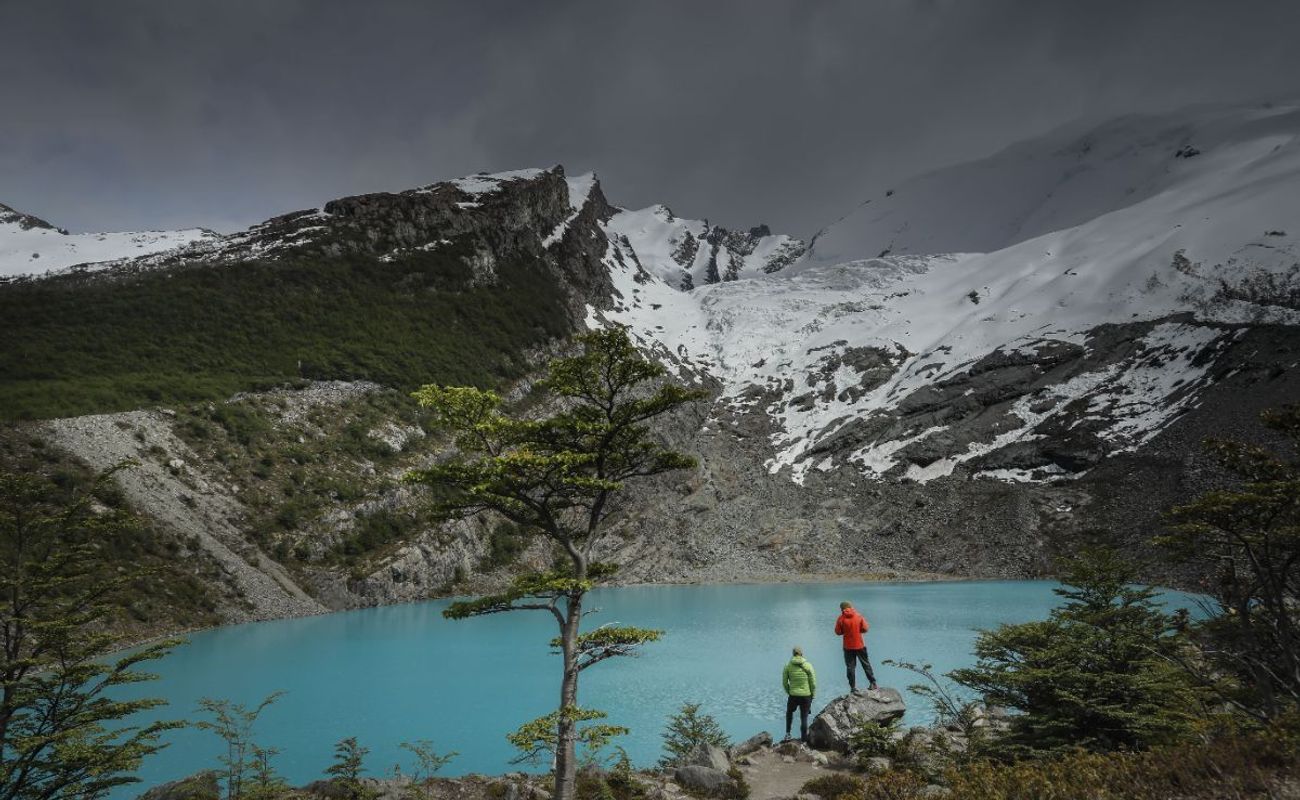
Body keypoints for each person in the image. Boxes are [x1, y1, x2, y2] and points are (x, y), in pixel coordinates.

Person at [835, 600, 878, 692]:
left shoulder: (841, 618)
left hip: (848, 647)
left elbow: (838, 632)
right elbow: (865, 629)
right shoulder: (859, 616)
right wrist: (858, 631)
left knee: (850, 667)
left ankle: (853, 687)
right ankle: (873, 683)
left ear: (842, 609)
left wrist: (845, 631)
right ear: (851, 607)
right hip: (860, 645)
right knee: (866, 664)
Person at [781, 646, 816, 743]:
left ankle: (788, 734)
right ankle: (804, 740)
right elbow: (813, 683)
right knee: (804, 717)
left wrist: (790, 692)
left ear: (793, 654)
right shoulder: (808, 665)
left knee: (789, 712)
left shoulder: (787, 665)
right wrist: (812, 695)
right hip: (806, 696)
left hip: (793, 695)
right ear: (802, 654)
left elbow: (784, 683)